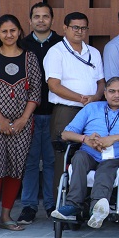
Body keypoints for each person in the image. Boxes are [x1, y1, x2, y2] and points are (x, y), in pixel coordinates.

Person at [0, 14, 43, 234]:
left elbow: (35, 91)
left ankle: (6, 215)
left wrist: (23, 119)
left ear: (20, 32)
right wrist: (0, 119)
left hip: (22, 123)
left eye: (13, 30)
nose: (9, 35)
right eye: (4, 31)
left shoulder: (29, 58)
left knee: (15, 169)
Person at [55, 77, 119, 228]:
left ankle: (96, 209)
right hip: (89, 153)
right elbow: (66, 134)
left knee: (106, 167)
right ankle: (73, 205)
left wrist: (113, 139)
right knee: (78, 158)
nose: (116, 95)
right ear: (105, 93)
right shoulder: (91, 108)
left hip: (115, 157)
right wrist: (85, 139)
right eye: (112, 91)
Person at [44, 12, 106, 208]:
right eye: (75, 27)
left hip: (92, 110)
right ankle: (61, 206)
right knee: (64, 157)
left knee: (90, 153)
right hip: (67, 110)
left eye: (83, 28)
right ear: (65, 28)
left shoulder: (93, 52)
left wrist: (95, 98)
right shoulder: (56, 52)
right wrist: (80, 98)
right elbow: (54, 85)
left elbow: (101, 82)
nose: (79, 31)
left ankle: (85, 203)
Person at [15, 1, 61, 224]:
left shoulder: (62, 44)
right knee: (31, 161)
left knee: (53, 160)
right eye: (37, 16)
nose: (41, 20)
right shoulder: (21, 45)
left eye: (45, 16)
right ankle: (29, 206)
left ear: (52, 19)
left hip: (56, 112)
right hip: (28, 113)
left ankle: (53, 204)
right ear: (30, 20)